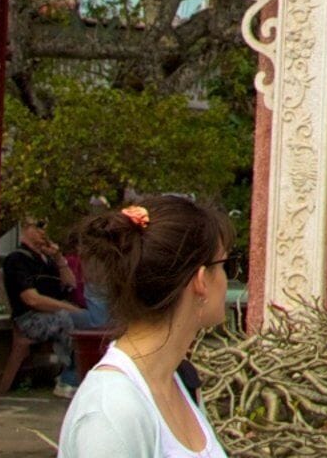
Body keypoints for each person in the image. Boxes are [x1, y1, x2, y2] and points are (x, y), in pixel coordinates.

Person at [59, 193, 234, 458]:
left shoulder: (179, 380)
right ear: (201, 280)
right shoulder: (112, 411)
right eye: (224, 266)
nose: (227, 279)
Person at [0, 216, 90, 394]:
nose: (43, 231)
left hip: (53, 313)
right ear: (25, 228)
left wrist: (58, 258)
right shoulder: (17, 259)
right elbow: (31, 299)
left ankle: (77, 372)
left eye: (45, 227)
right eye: (39, 226)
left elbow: (71, 284)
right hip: (29, 319)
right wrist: (67, 308)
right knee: (68, 319)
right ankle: (68, 378)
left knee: (89, 318)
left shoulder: (47, 260)